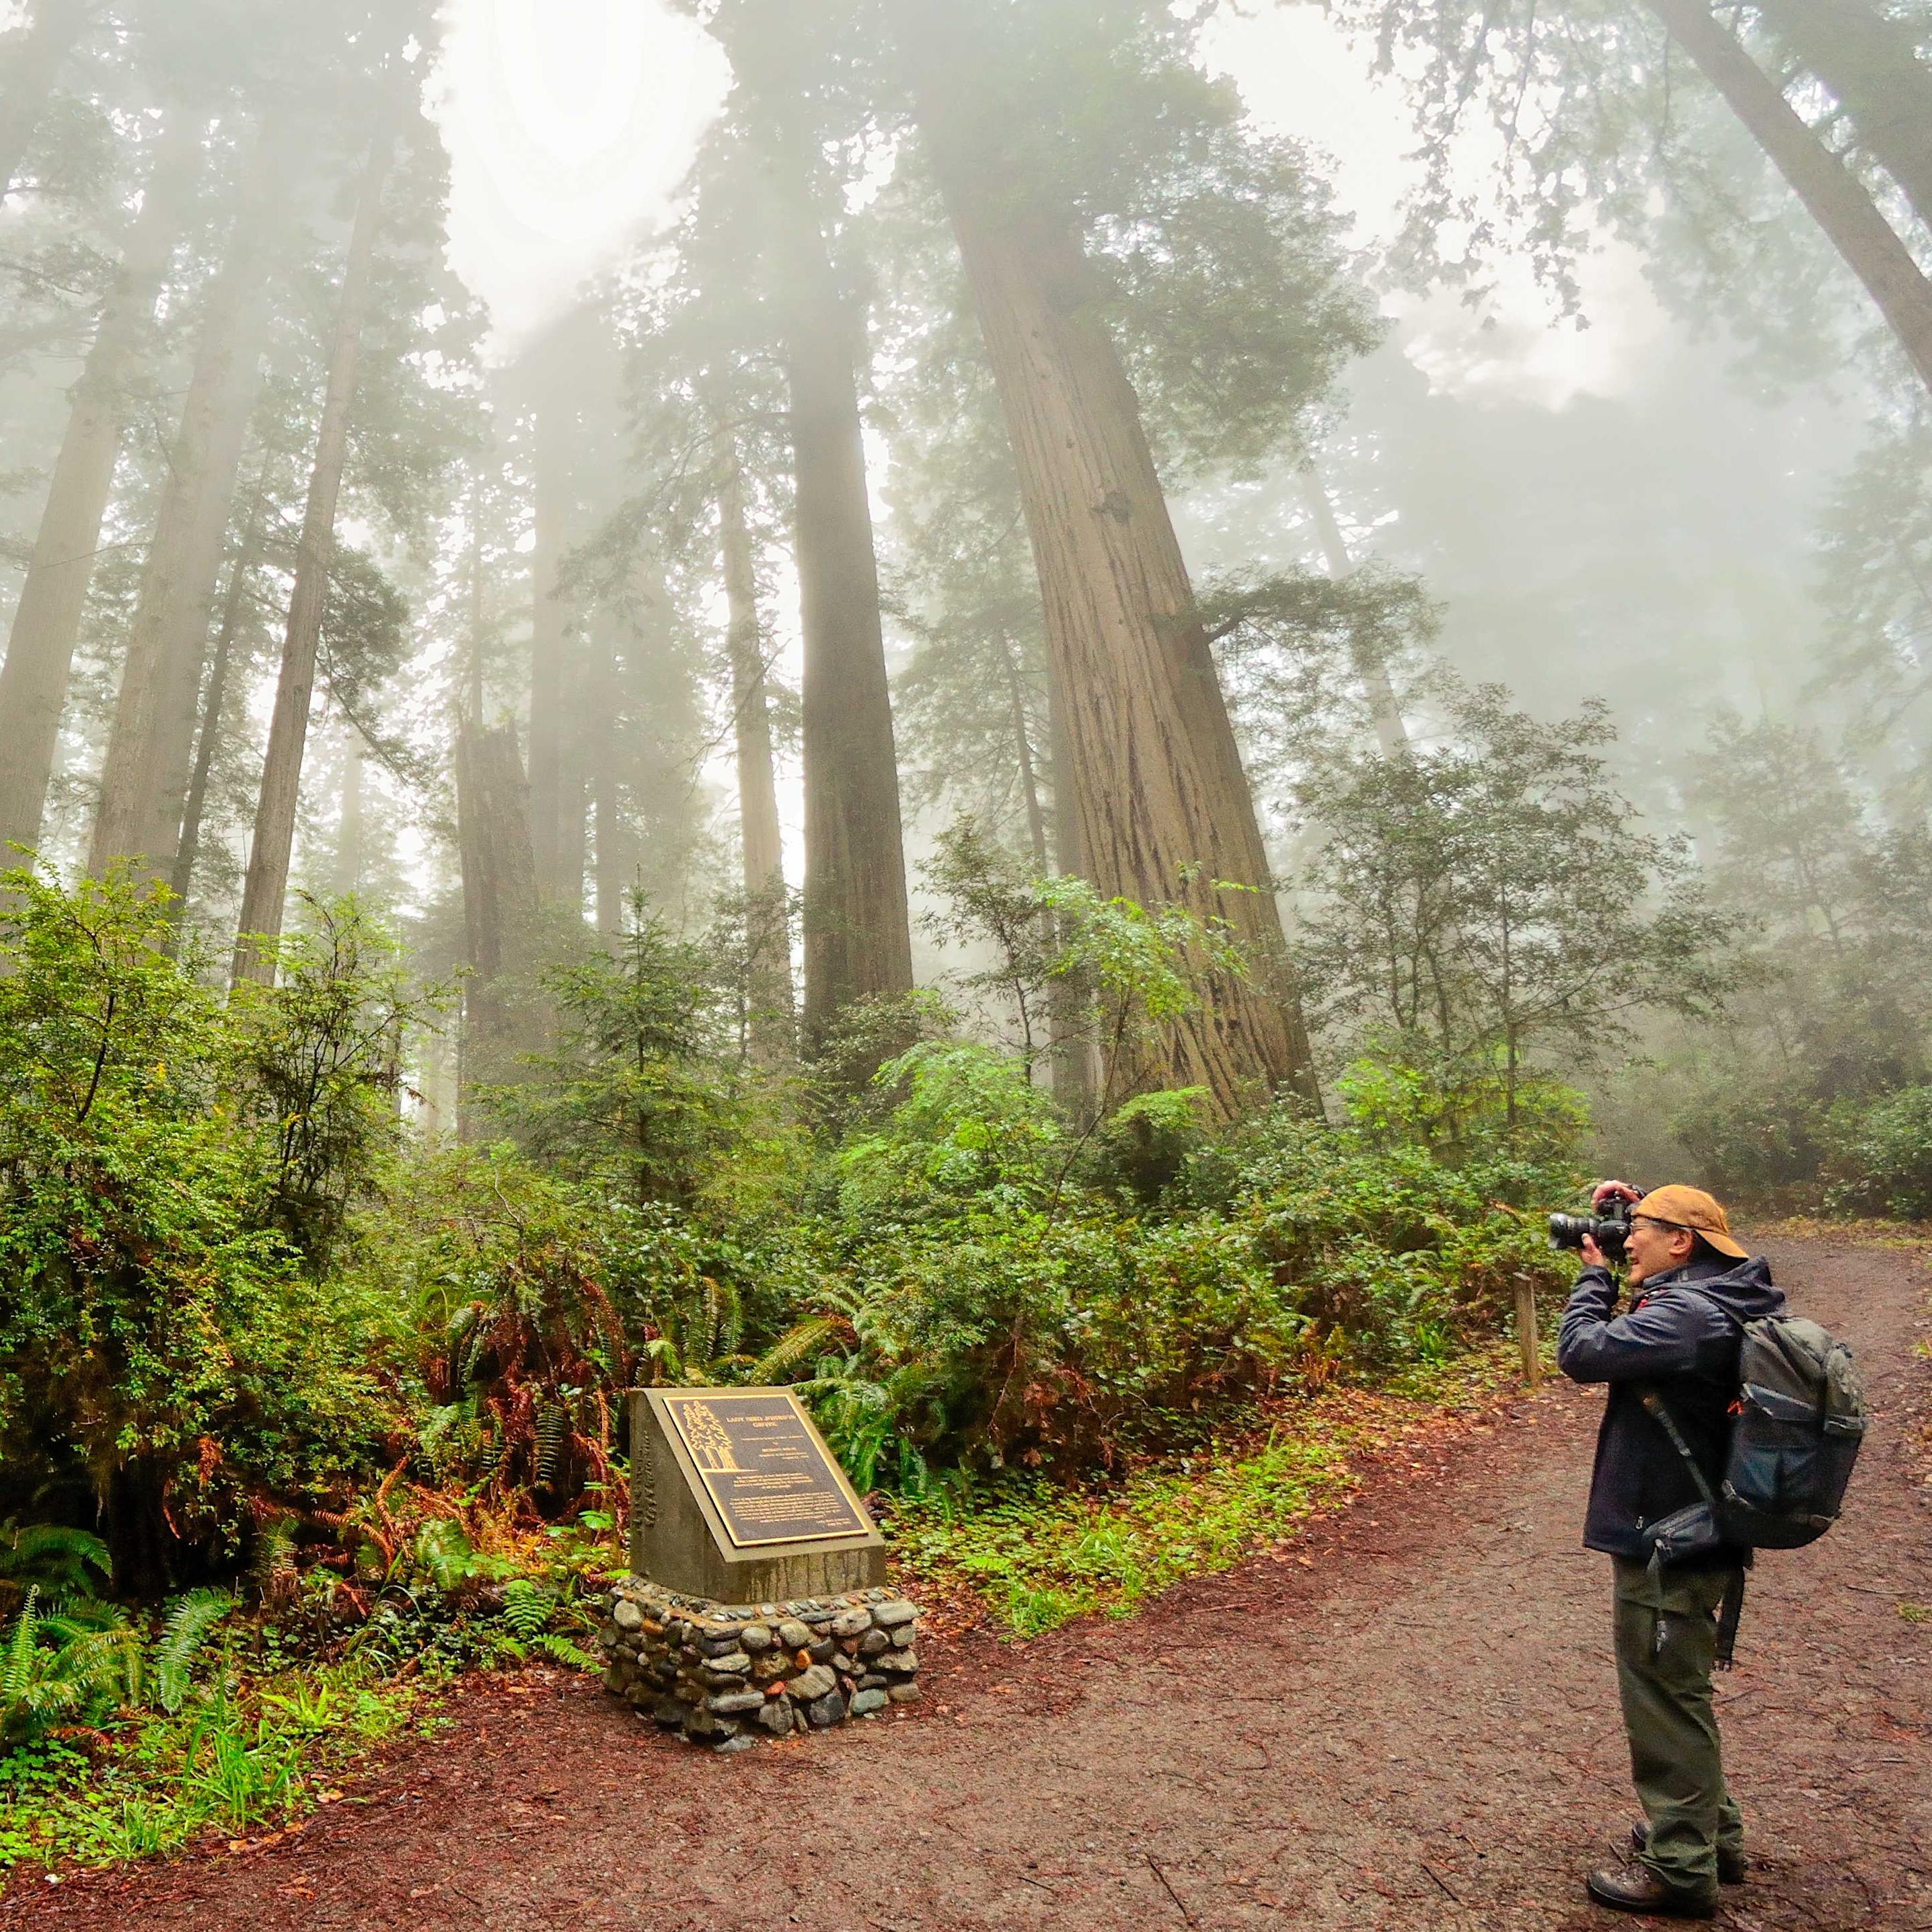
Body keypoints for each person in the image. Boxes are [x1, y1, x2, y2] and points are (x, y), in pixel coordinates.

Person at [1555, 1181, 1785, 1921]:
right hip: (1696, 1527)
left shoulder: (1685, 1315)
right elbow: (1663, 1249)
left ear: (1682, 1242)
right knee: (1679, 1690)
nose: (1627, 1241)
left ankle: (1681, 1868)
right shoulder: (1722, 1296)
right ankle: (1714, 1839)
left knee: (1663, 1700)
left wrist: (1592, 1278)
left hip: (1668, 1537)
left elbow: (1580, 1352)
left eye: (1641, 1230)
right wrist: (1632, 1205)